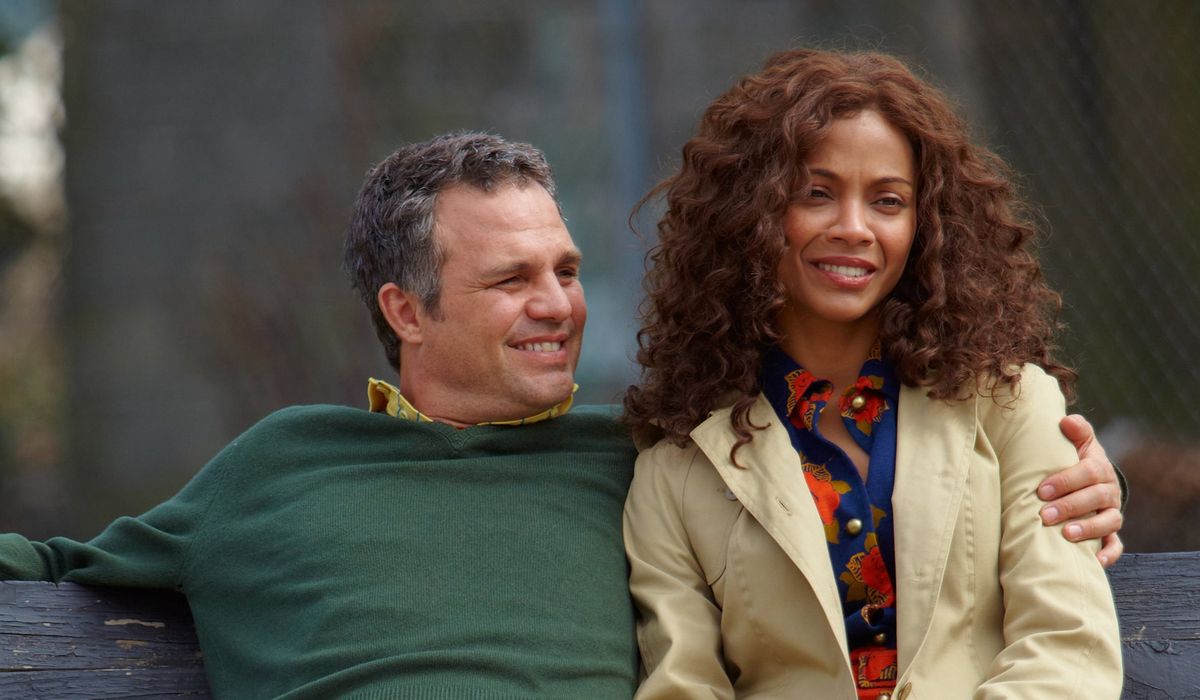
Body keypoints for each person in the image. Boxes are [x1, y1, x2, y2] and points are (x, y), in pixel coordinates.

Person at [0, 133, 1119, 699]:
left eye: (568, 270)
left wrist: (1074, 491)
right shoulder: (280, 466)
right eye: (512, 281)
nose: (560, 306)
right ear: (406, 310)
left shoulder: (648, 456)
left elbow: (848, 518)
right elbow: (53, 565)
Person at [622, 49, 1122, 699]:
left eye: (887, 201)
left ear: (924, 224)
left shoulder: (1011, 403)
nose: (854, 228)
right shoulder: (675, 470)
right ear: (749, 213)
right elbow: (683, 685)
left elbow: (1066, 648)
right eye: (817, 193)